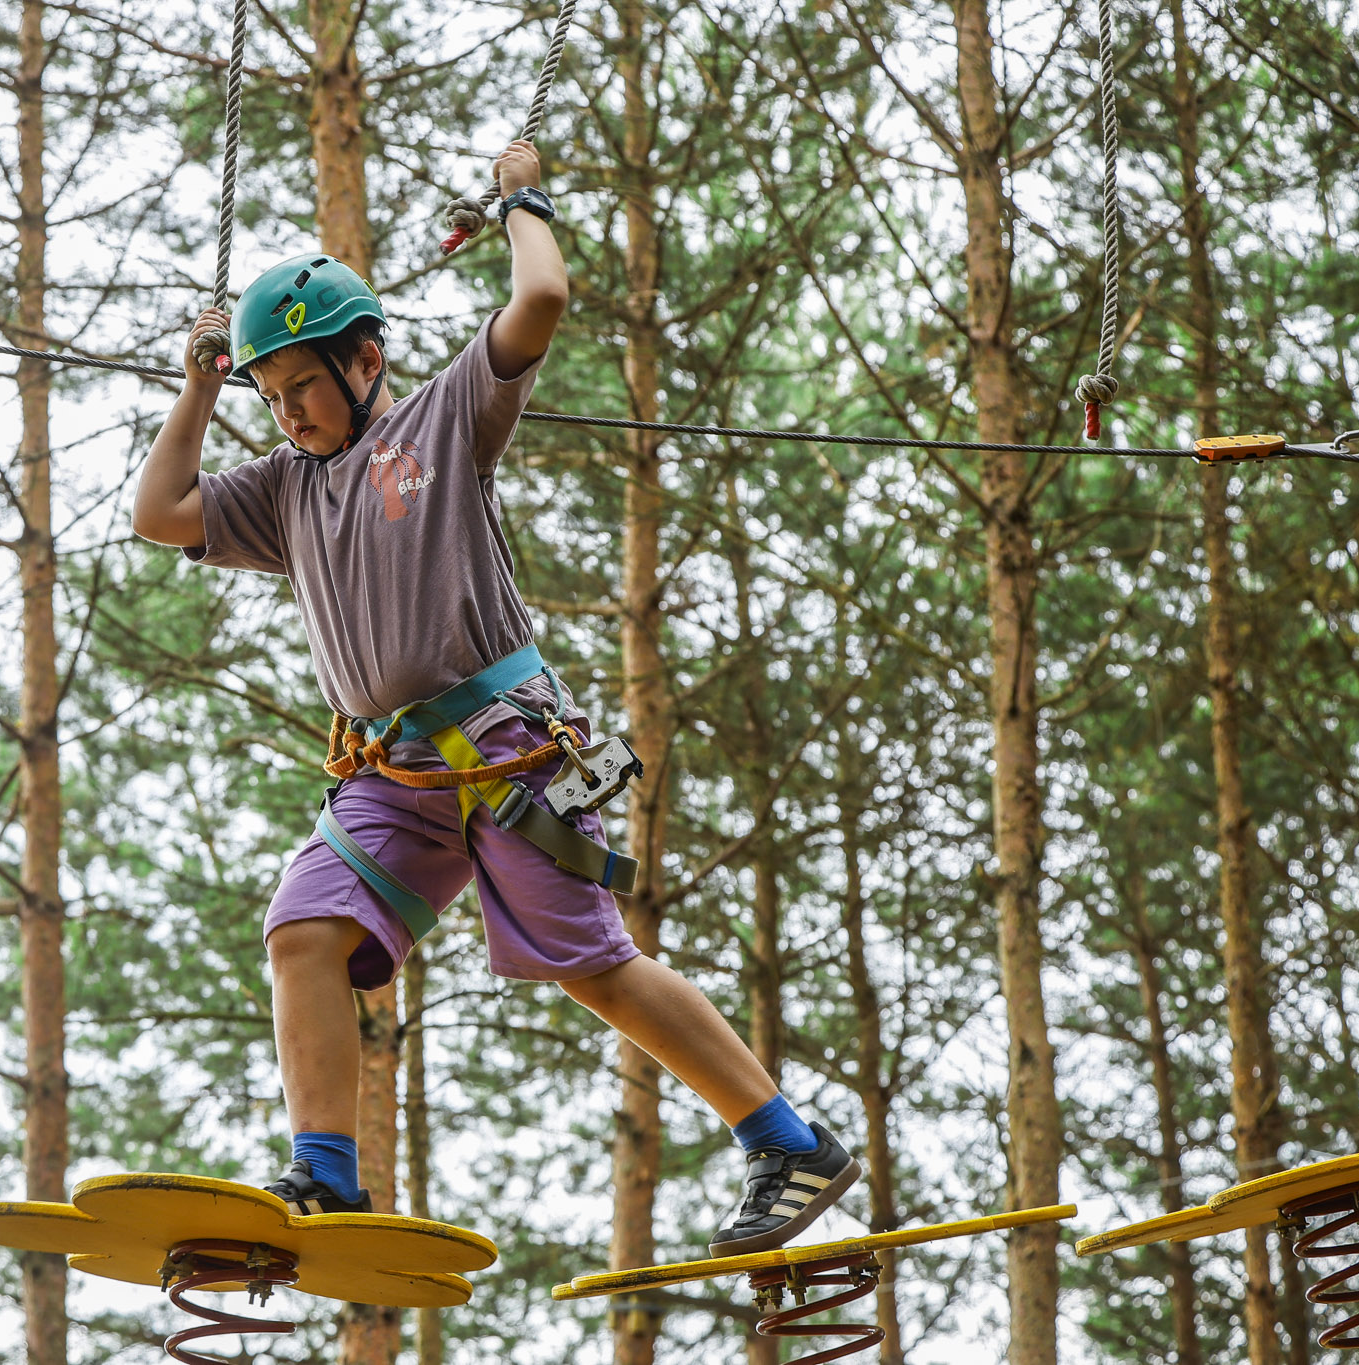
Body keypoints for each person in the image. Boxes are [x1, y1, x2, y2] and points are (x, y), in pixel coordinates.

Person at [131, 139, 857, 1256]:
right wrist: (198, 387)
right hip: (393, 773)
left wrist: (523, 201)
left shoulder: (440, 420)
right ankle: (326, 1175)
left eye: (301, 387)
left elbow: (542, 298)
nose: (285, 414)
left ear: (365, 360)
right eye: (268, 397)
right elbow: (160, 512)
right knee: (302, 931)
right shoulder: (284, 493)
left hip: (506, 747)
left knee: (593, 966)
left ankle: (788, 1140)